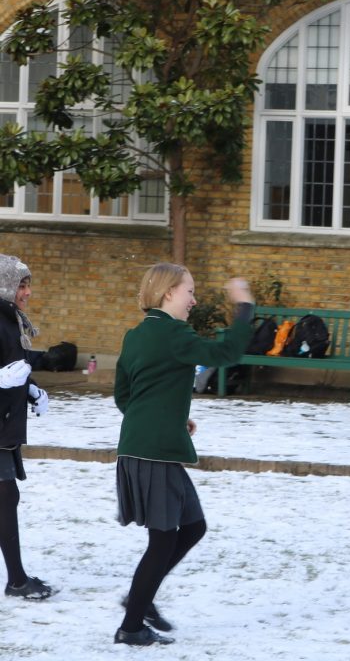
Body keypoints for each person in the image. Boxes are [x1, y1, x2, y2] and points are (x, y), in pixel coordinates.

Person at [113, 263, 253, 647]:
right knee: (162, 540)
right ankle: (131, 625)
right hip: (153, 452)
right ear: (168, 292)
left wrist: (172, 418)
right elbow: (227, 350)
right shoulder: (174, 334)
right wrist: (244, 307)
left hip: (144, 447)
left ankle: (142, 600)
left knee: (192, 527)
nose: (194, 300)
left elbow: (125, 395)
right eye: (189, 291)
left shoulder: (137, 335)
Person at [0, 255, 53, 600]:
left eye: (28, 284)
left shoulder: (9, 319)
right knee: (5, 497)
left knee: (7, 497)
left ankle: (17, 579)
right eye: (22, 285)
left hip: (4, 424)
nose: (28, 293)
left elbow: (10, 364)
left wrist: (29, 387)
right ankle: (17, 580)